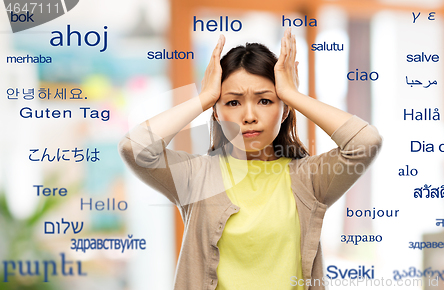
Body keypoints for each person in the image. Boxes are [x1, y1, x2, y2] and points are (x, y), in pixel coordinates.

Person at [118, 28, 382, 290]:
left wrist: (294, 95)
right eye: (233, 103)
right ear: (217, 113)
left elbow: (365, 143)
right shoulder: (196, 176)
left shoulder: (310, 178)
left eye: (265, 101)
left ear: (284, 109)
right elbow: (134, 147)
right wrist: (203, 98)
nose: (249, 116)